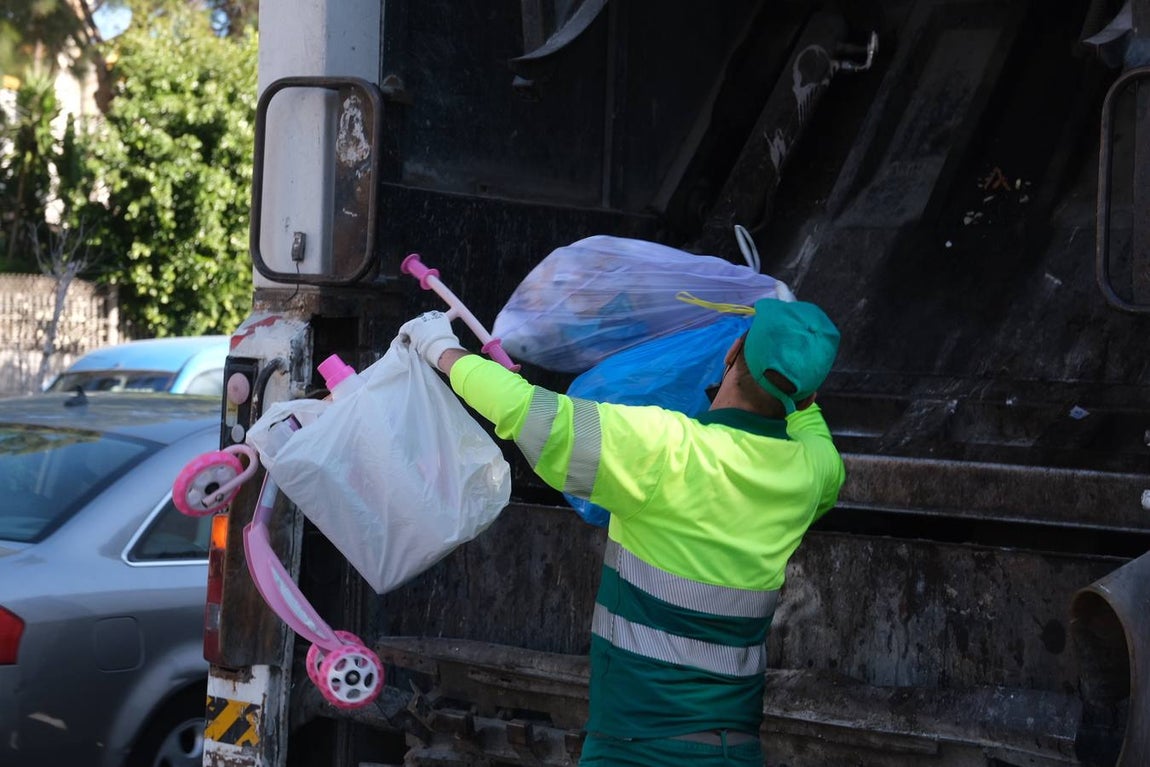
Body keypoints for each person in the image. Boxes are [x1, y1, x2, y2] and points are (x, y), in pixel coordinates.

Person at [399, 297, 845, 767]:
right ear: (808, 397)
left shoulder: (665, 451)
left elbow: (530, 411)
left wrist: (440, 349)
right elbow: (810, 426)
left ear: (732, 351)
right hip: (734, 754)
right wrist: (798, 386)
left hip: (635, 749)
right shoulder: (814, 474)